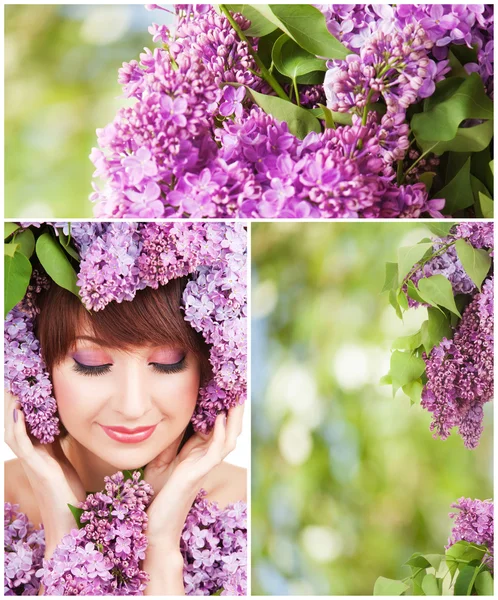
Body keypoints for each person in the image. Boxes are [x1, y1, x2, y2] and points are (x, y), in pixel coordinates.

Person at [5, 279, 246, 595]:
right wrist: (63, 535)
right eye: (91, 363)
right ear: (38, 364)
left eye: (167, 361)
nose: (132, 407)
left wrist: (161, 551)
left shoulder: (250, 508)